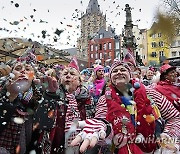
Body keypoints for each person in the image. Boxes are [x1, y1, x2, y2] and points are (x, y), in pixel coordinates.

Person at [71, 60, 158, 154]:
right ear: (111, 78)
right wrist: (102, 126)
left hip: (148, 147)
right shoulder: (105, 98)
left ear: (130, 75)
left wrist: (169, 135)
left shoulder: (149, 92)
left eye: (123, 70)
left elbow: (173, 116)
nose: (119, 72)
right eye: (115, 71)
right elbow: (101, 118)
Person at [34, 57, 94, 154]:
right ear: (60, 79)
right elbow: (40, 123)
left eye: (72, 74)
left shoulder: (87, 100)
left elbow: (92, 124)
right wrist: (48, 98)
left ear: (79, 81)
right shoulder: (54, 95)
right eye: (65, 74)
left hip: (81, 146)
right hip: (56, 145)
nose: (68, 76)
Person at [0, 60, 41, 154]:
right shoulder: (2, 94)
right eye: (18, 69)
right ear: (10, 75)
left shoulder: (38, 101)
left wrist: (51, 95)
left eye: (27, 69)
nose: (23, 71)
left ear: (33, 77)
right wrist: (10, 97)